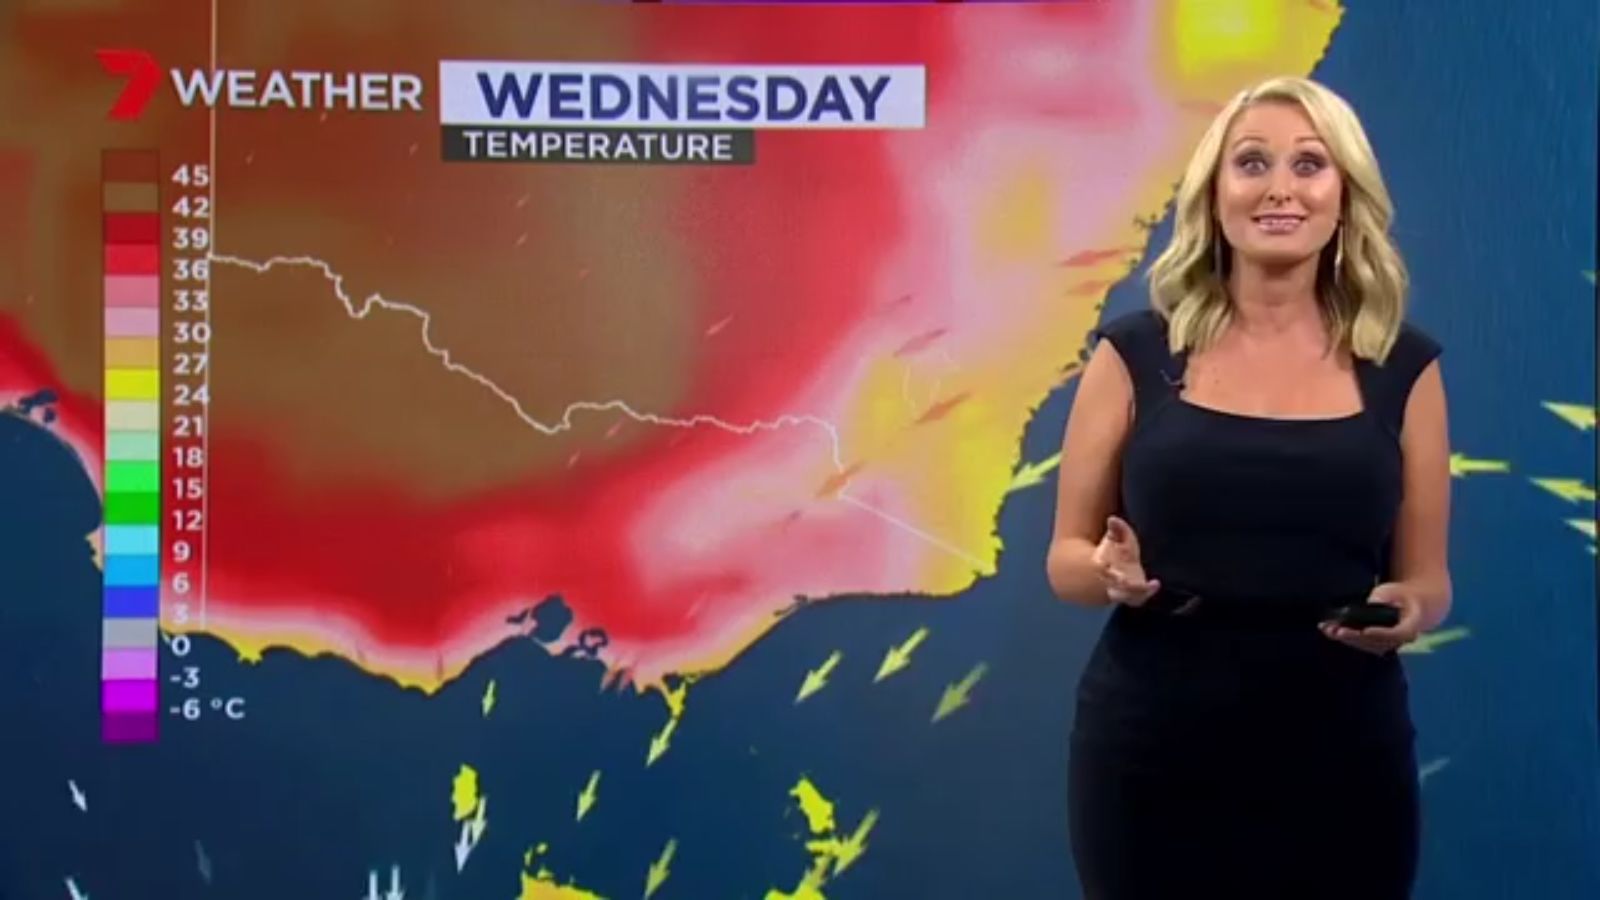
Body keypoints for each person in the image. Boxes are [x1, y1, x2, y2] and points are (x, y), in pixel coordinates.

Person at [1046, 75, 1451, 899]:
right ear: (1214, 194)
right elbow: (1066, 561)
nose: (1280, 189)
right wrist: (1107, 574)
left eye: (1309, 164)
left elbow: (1428, 581)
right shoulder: (1133, 356)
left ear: (1345, 194)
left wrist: (1408, 610)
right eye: (1252, 162)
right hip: (1151, 752)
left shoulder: (1403, 368)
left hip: (1344, 753)